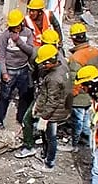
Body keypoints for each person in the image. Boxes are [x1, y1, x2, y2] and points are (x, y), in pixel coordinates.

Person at [30, 44, 72, 172]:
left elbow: (52, 100)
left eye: (44, 63)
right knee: (48, 135)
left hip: (54, 112)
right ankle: (45, 153)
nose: (42, 66)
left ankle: (49, 163)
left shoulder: (53, 78)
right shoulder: (63, 66)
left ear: (50, 61)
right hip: (61, 108)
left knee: (51, 136)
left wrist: (44, 117)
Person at [0, 9, 35, 130]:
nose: (15, 29)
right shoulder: (5, 35)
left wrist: (18, 41)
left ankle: (21, 118)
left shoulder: (27, 33)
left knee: (24, 96)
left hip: (23, 69)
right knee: (4, 97)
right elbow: (1, 55)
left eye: (17, 26)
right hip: (10, 70)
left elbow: (30, 50)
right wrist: (4, 72)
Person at [63, 22, 98, 149]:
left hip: (80, 94)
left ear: (73, 38)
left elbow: (74, 80)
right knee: (86, 120)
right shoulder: (95, 52)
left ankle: (74, 143)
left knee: (77, 120)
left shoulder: (76, 57)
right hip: (92, 91)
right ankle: (86, 141)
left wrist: (71, 95)